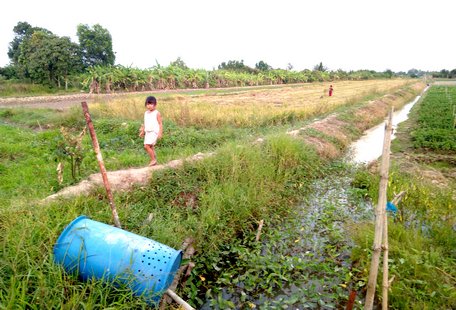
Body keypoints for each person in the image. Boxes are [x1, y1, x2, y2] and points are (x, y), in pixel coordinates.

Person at [139, 96, 163, 166]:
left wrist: (160, 133)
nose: (149, 106)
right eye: (147, 104)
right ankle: (155, 161)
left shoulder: (157, 113)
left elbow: (160, 123)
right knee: (151, 147)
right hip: (148, 132)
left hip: (154, 132)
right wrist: (142, 131)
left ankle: (153, 160)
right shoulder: (146, 113)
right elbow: (145, 123)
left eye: (151, 104)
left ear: (155, 104)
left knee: (146, 146)